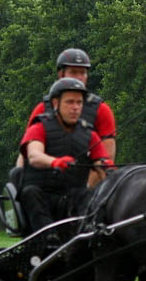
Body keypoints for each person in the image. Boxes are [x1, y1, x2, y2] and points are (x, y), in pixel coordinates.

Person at [17, 75, 112, 233]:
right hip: (42, 196)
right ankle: (49, 237)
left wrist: (107, 169)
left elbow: (101, 164)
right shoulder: (39, 127)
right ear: (56, 103)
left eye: (79, 103)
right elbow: (34, 156)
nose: (75, 107)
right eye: (70, 102)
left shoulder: (90, 134)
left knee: (88, 195)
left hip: (72, 198)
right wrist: (55, 162)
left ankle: (87, 234)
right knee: (30, 192)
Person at [24, 47, 117, 163]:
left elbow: (106, 159)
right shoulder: (42, 109)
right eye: (73, 72)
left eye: (82, 73)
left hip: (86, 173)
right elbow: (29, 153)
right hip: (44, 171)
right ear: (61, 74)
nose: (79, 77)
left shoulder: (101, 111)